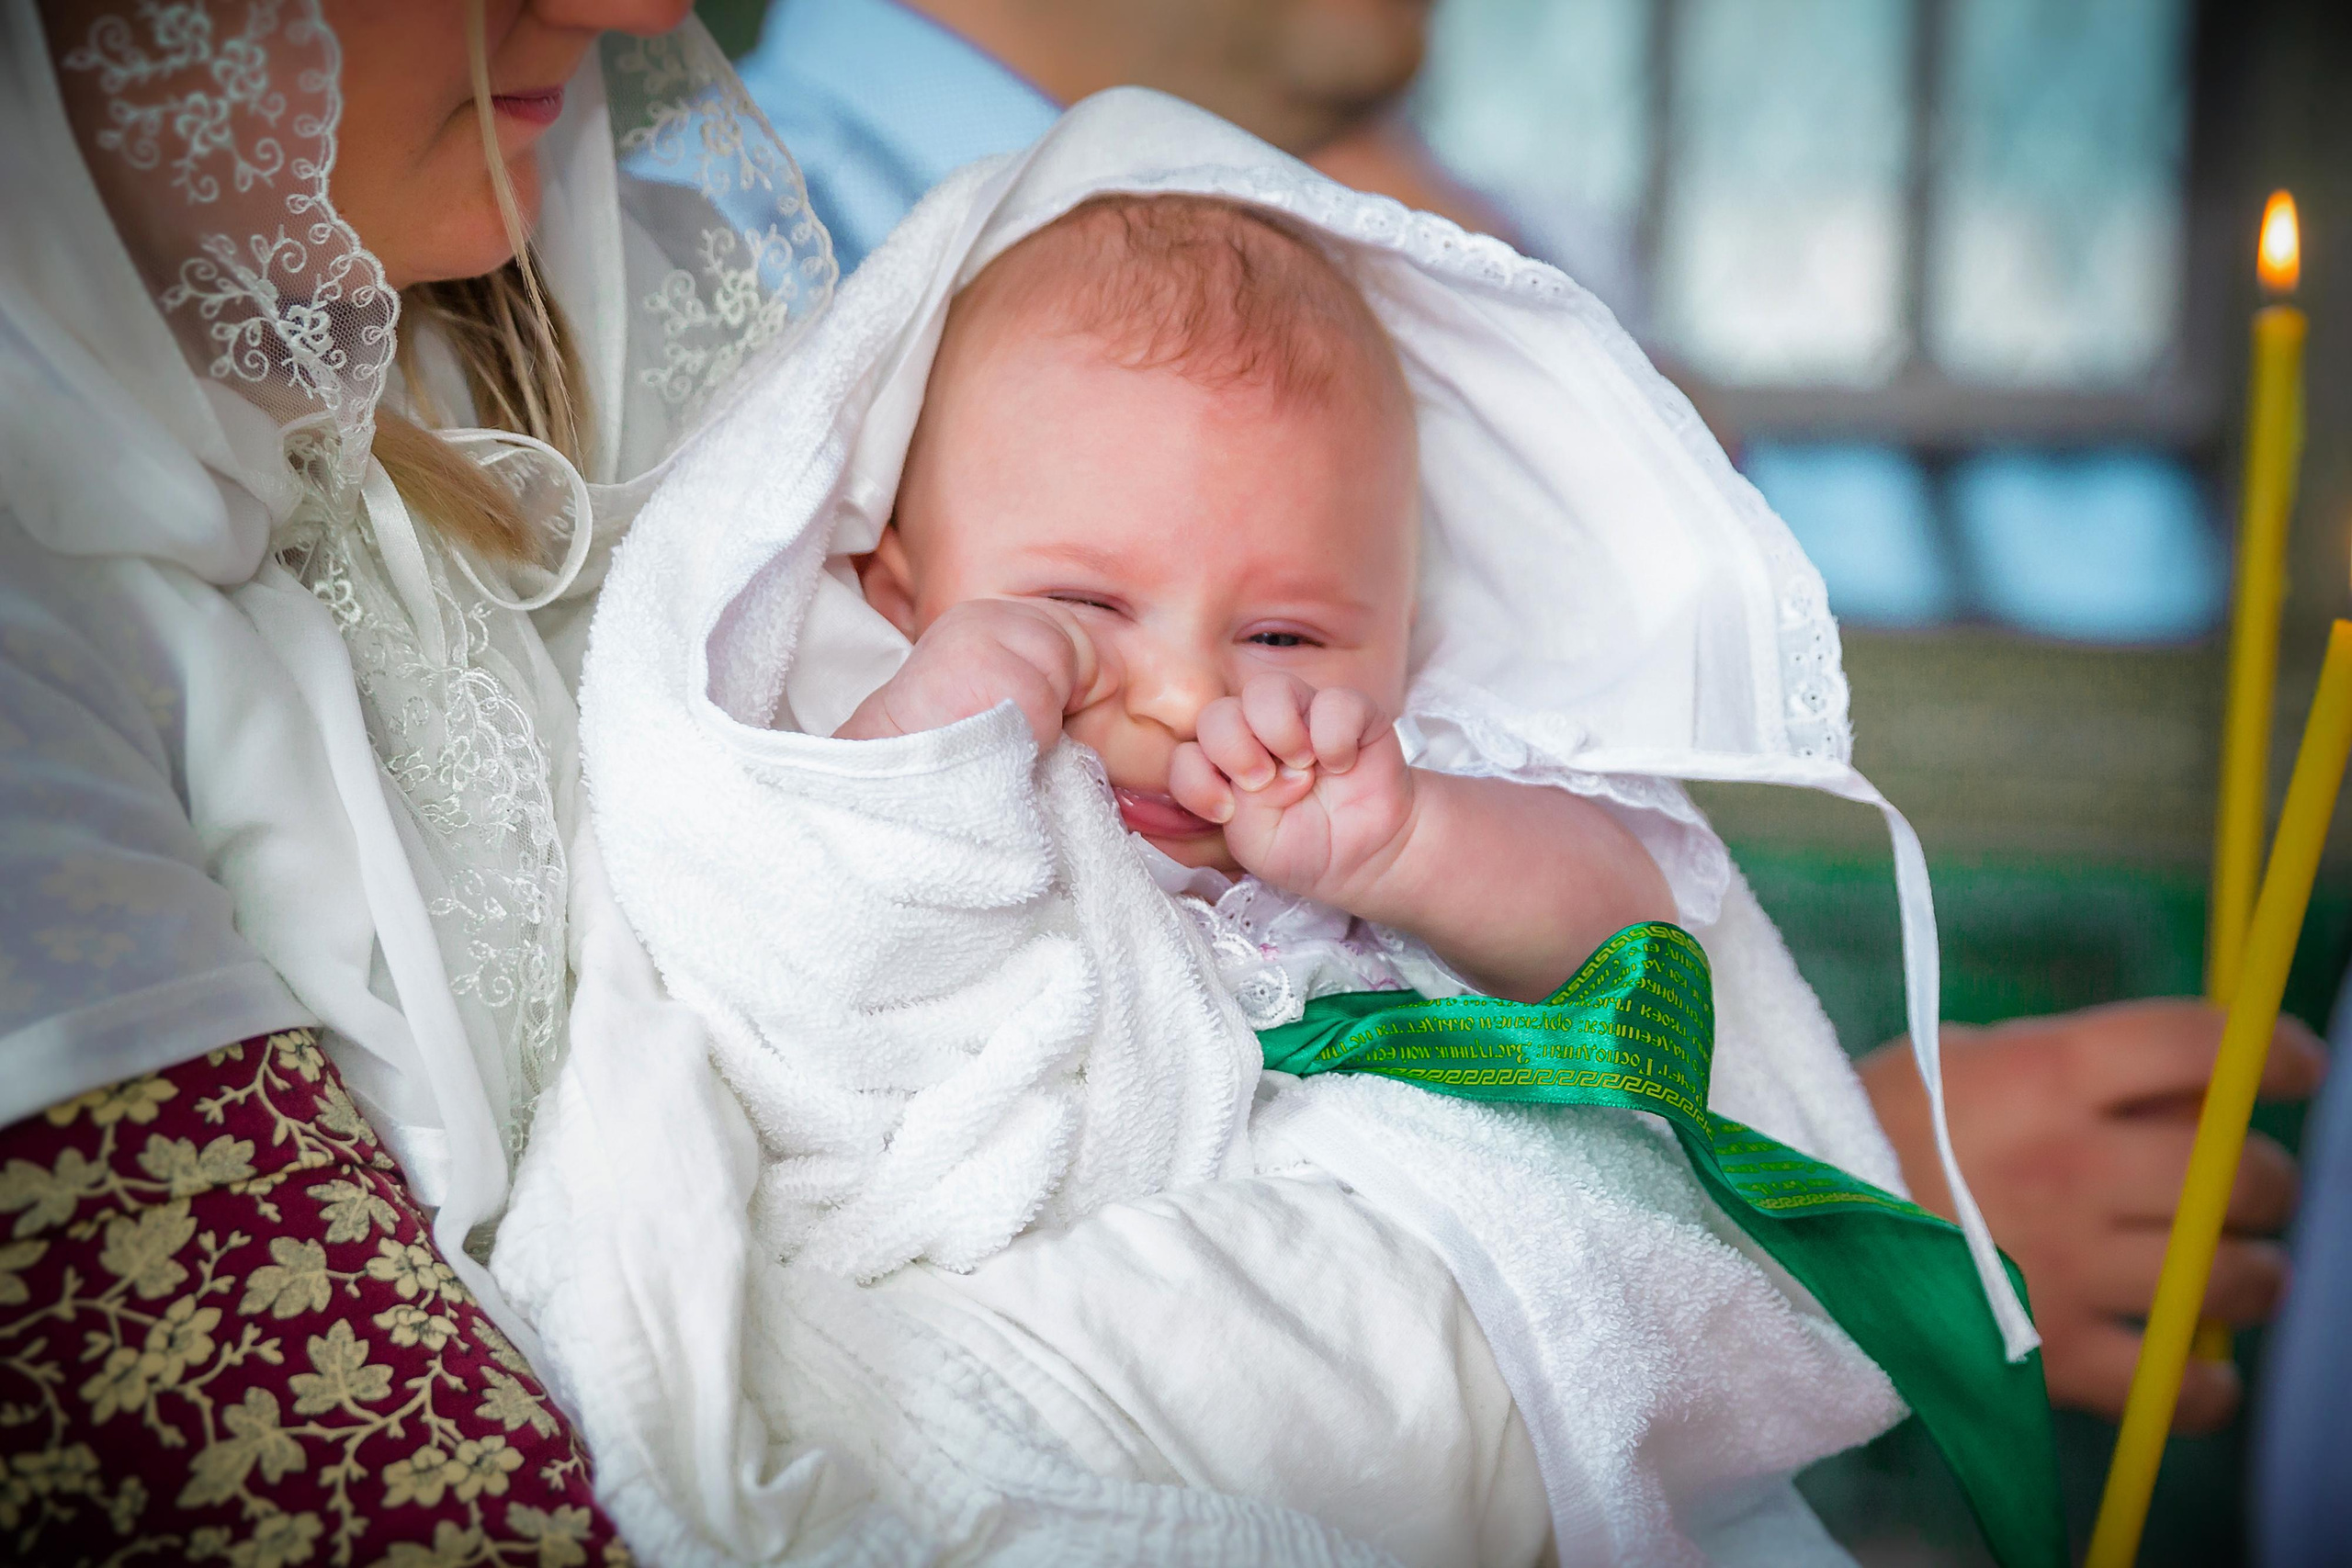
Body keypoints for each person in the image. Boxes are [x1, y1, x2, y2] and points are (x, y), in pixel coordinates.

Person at [736, 0, 2325, 1438]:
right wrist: (1811, 1196)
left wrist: (1415, 832)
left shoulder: (1449, 265)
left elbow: (1622, 892)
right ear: (887, 572)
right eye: (1084, 612)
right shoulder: (727, 283)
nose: (1183, 695)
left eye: (1282, 631)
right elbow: (794, 941)